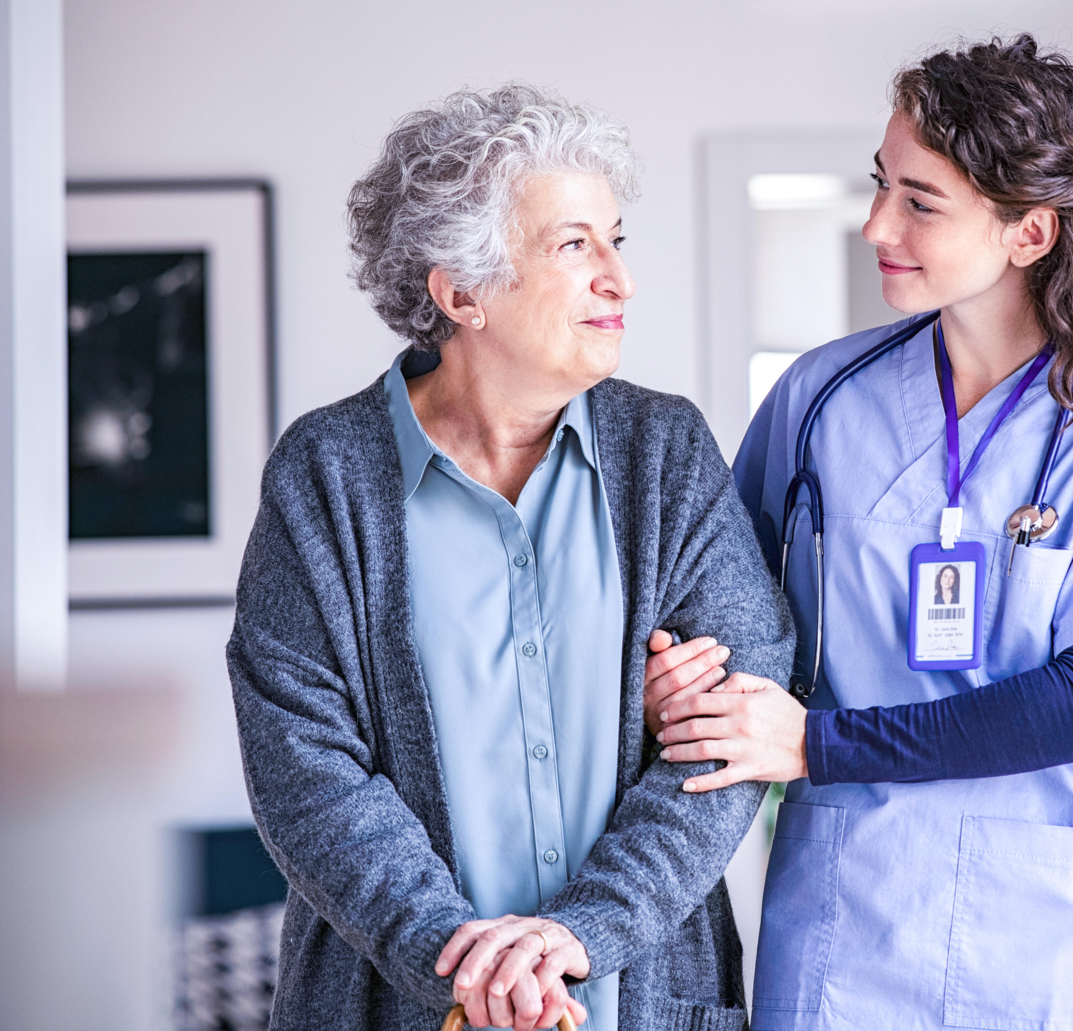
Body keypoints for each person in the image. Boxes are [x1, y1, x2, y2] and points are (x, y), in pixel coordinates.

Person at [645, 36, 1073, 1030]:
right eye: (882, 185)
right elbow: (720, 612)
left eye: (921, 202)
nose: (876, 223)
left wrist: (814, 744)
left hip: (1061, 935)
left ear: (1029, 232)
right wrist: (680, 677)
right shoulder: (819, 399)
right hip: (851, 923)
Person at [226, 85, 792, 1031]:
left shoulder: (665, 452)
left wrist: (580, 933)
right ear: (460, 293)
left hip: (641, 1000)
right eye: (574, 246)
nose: (620, 279)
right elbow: (304, 768)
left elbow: (734, 725)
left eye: (616, 240)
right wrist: (463, 962)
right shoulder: (324, 474)